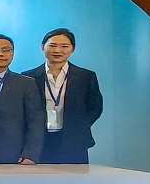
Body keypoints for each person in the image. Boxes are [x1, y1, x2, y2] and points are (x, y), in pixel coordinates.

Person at [22, 28, 103, 164]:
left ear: (72, 49)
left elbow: (95, 107)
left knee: (75, 177)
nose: (57, 50)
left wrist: (78, 125)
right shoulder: (28, 77)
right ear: (42, 47)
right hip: (38, 141)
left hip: (74, 140)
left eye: (64, 46)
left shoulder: (86, 76)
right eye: (52, 46)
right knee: (40, 177)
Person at [0, 34, 43, 164]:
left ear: (12, 54)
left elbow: (35, 121)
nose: (0, 54)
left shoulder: (26, 83)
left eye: (6, 50)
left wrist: (30, 153)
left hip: (14, 153)